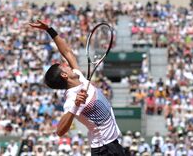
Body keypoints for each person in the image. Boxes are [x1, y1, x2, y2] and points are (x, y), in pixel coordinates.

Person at [29, 20, 125, 156]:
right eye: (64, 66)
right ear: (64, 75)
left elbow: (67, 52)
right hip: (104, 148)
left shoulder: (78, 76)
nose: (67, 64)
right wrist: (75, 106)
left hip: (112, 144)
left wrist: (49, 30)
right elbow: (60, 131)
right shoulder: (72, 98)